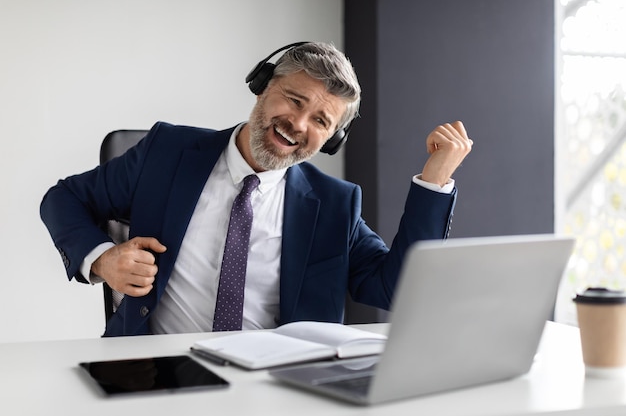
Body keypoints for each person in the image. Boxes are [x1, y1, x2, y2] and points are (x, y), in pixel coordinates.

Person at [40, 42, 472, 337]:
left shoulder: (335, 204)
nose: (299, 125)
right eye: (295, 100)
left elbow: (396, 289)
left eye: (321, 121)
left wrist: (433, 183)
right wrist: (101, 260)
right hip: (155, 372)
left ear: (332, 139)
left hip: (277, 385)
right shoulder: (166, 151)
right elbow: (64, 198)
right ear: (263, 85)